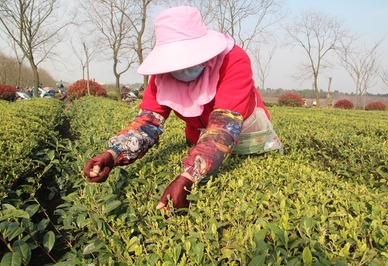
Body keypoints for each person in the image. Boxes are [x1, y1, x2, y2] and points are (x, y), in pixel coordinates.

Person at [83, 6, 282, 210]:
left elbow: (224, 127)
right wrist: (113, 154)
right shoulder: (162, 74)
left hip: (248, 137)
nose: (182, 68)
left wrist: (187, 177)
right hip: (198, 139)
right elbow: (147, 122)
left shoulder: (233, 60)